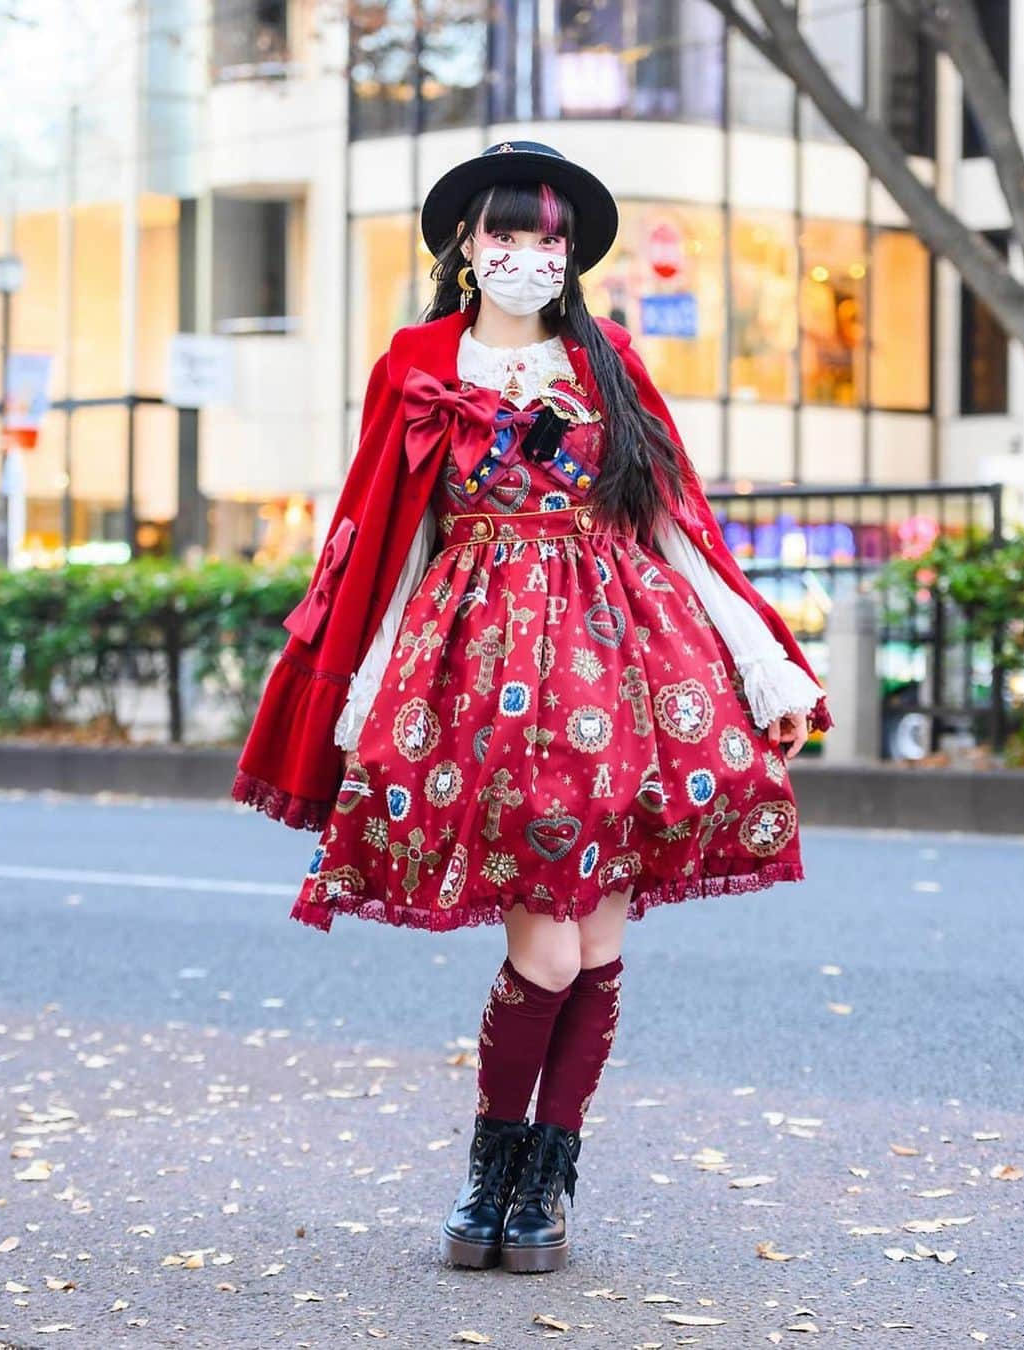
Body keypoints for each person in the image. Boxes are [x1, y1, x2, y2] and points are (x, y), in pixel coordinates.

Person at [231, 141, 831, 1275]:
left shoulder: (608, 364)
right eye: (505, 234)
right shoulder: (417, 364)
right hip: (481, 673)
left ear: (568, 257)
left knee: (595, 941)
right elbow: (389, 540)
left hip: (625, 660)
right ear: (465, 244)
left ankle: (541, 1185)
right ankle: (489, 1170)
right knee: (548, 948)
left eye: (547, 238)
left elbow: (675, 528)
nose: (525, 255)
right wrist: (362, 693)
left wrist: (767, 665)